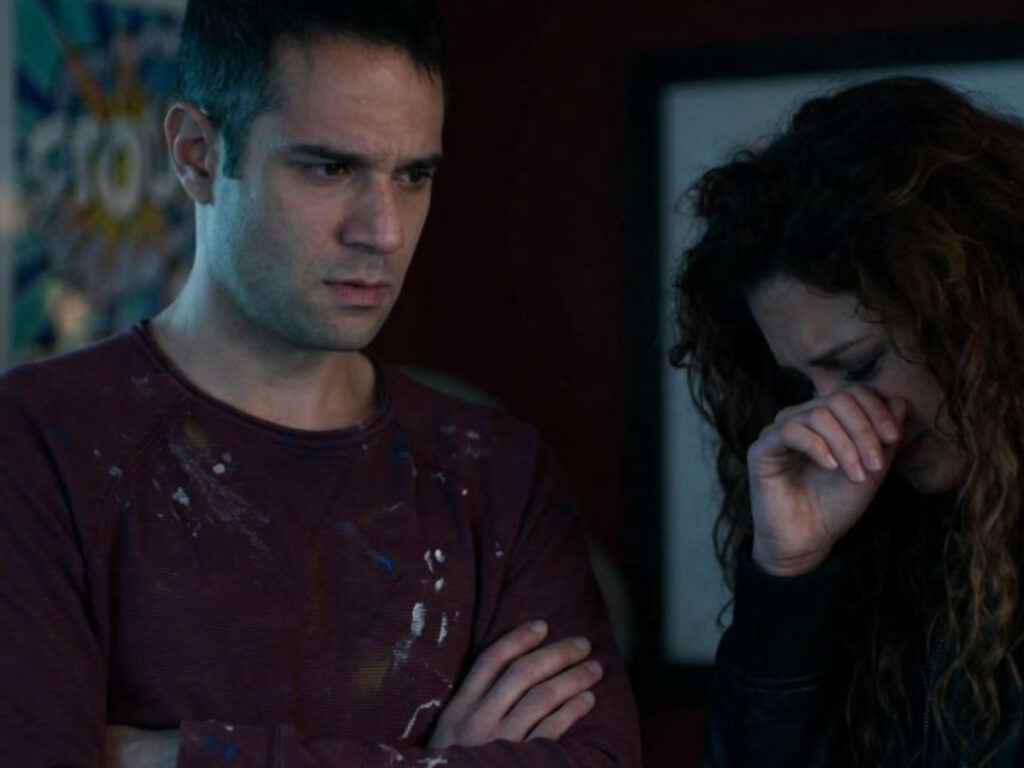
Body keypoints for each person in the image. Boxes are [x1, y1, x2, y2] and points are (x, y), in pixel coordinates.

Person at [0, 1, 641, 765]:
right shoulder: (37, 442)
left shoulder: (495, 470)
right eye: (330, 169)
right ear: (197, 155)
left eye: (413, 176)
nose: (383, 231)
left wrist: (187, 756)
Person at [672, 76, 1024, 767]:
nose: (836, 413)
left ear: (978, 317)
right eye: (803, 385)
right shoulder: (896, 548)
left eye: (861, 365)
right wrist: (787, 578)